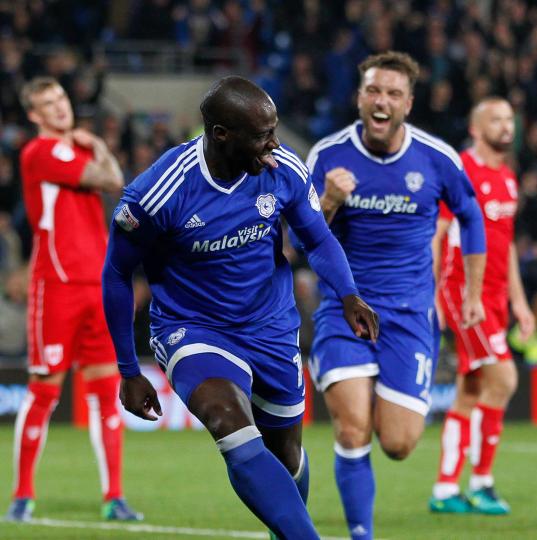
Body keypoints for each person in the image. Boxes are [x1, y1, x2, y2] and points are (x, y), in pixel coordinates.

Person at [101, 76, 379, 539]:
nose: (273, 145)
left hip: (271, 326)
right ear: (221, 134)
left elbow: (318, 238)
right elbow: (115, 273)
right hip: (192, 328)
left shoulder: (282, 168)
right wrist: (128, 370)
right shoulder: (158, 193)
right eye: (263, 135)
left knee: (286, 454)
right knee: (228, 423)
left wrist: (349, 294)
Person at [305, 51, 486, 540]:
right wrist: (328, 202)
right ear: (359, 97)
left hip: (409, 317)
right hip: (345, 309)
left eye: (392, 93)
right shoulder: (326, 156)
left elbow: (471, 216)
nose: (380, 101)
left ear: (408, 103)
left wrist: (471, 293)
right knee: (351, 428)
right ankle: (361, 534)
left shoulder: (437, 158)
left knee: (399, 443)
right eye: (372, 91)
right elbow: (299, 240)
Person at [7, 77, 142, 522]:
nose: (59, 108)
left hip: (95, 283)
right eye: (47, 103)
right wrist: (99, 145)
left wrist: (95, 144)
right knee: (44, 390)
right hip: (56, 284)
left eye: (61, 98)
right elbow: (109, 177)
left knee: (106, 391)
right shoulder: (37, 153)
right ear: (34, 115)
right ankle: (23, 496)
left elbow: (116, 179)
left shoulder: (82, 148)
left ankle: (115, 497)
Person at [428, 97, 534, 515]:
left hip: (494, 297)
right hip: (461, 292)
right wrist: (432, 293)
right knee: (504, 378)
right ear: (476, 128)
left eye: (510, 119)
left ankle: (445, 488)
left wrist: (520, 304)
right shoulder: (461, 171)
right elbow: (437, 234)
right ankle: (483, 482)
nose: (506, 126)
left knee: (470, 390)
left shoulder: (508, 178)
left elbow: (505, 247)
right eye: (496, 119)